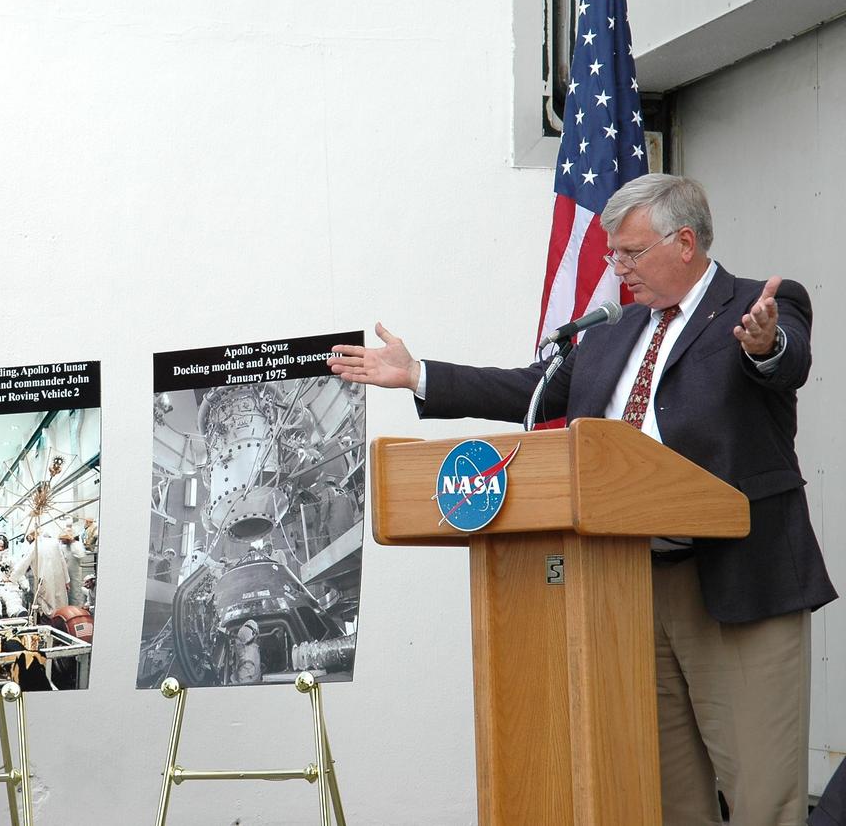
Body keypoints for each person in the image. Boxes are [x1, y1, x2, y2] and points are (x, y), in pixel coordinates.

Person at [328, 173, 836, 826]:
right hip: (626, 583)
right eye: (611, 254)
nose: (617, 268)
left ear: (685, 243)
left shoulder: (759, 302)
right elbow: (532, 392)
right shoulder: (613, 329)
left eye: (630, 252)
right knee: (667, 791)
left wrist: (766, 343)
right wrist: (419, 374)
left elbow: (784, 358)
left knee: (763, 795)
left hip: (740, 581)